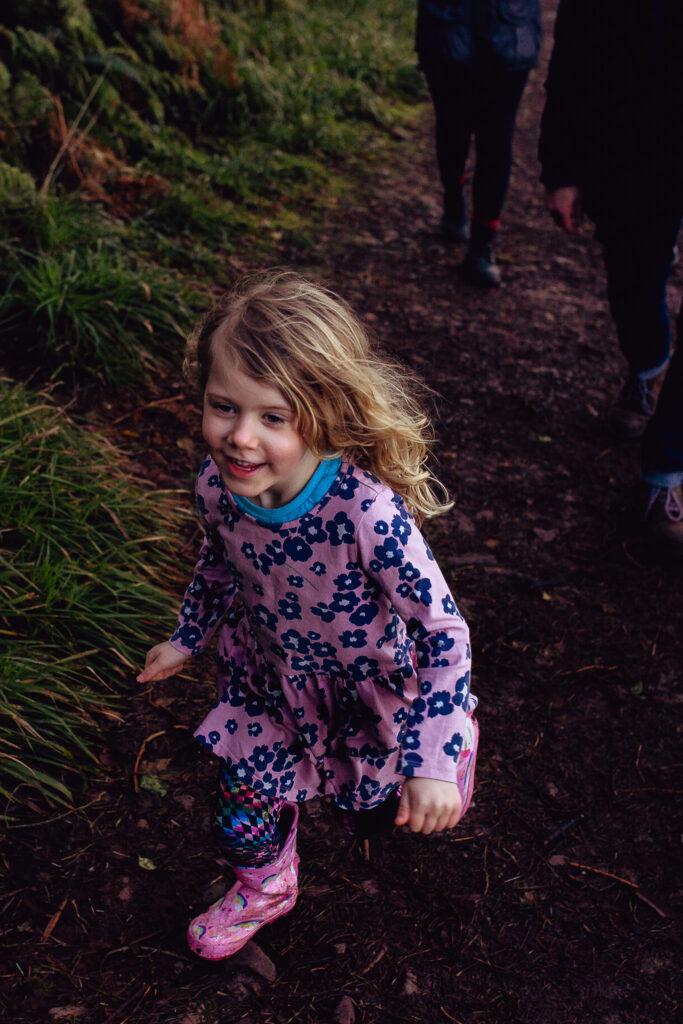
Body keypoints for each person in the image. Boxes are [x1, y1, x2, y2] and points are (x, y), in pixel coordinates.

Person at [137, 271, 479, 961]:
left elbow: (441, 631)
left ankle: (457, 743)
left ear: (322, 411)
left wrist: (434, 755)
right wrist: (186, 637)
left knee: (373, 815)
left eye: (273, 417)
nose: (238, 438)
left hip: (364, 698)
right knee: (241, 811)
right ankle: (264, 887)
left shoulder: (366, 514)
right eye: (222, 406)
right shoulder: (218, 486)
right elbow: (217, 564)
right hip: (268, 685)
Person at [539, 0, 683, 553]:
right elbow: (573, 58)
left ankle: (664, 473)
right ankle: (650, 364)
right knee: (633, 287)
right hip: (633, 151)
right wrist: (562, 169)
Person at [416, 0, 542, 286]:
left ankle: (482, 244)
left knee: (496, 138)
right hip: (446, 25)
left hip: (509, 27)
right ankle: (453, 195)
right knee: (451, 127)